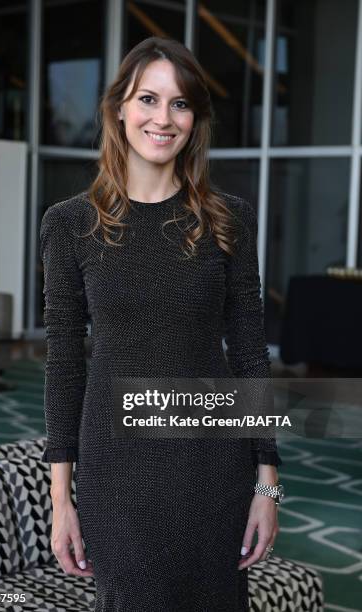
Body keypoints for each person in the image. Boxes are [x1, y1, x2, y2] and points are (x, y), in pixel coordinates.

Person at [40, 36, 283, 612]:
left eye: (180, 104)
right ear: (118, 108)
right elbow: (64, 363)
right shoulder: (70, 224)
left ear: (195, 119)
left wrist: (267, 485)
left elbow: (250, 350)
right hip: (117, 471)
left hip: (213, 467)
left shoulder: (228, 220)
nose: (163, 118)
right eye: (148, 98)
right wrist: (60, 500)